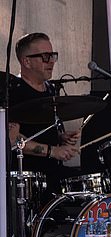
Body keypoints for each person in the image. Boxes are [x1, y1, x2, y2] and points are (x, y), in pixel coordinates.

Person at [9, 32, 80, 197]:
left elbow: (40, 127)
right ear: (26, 61)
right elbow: (12, 138)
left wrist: (60, 136)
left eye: (53, 56)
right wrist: (52, 151)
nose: (52, 62)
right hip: (28, 182)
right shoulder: (14, 92)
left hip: (53, 174)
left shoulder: (50, 89)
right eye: (45, 57)